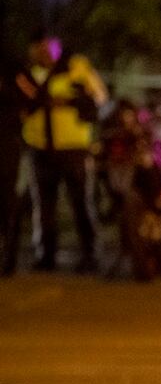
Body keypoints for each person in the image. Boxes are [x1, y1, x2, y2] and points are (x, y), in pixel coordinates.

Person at [17, 31, 108, 273]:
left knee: (81, 203)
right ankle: (45, 255)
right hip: (40, 146)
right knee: (43, 206)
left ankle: (91, 255)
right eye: (39, 48)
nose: (44, 53)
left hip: (73, 147)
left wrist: (69, 100)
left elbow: (100, 96)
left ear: (58, 46)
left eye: (49, 47)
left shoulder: (76, 68)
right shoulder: (29, 74)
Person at [0, 54, 27, 275]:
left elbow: (34, 97)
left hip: (6, 142)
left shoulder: (12, 67)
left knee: (6, 197)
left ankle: (8, 257)